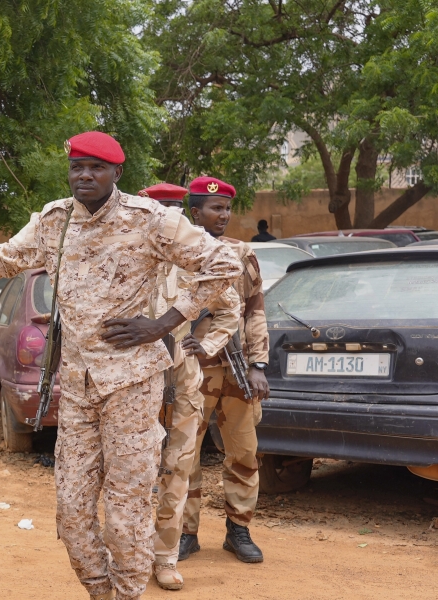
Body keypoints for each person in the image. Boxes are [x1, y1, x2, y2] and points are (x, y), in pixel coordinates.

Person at [0, 132, 241, 600]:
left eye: (97, 168)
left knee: (127, 512)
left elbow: (223, 263)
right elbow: (5, 255)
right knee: (72, 514)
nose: (85, 175)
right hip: (77, 388)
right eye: (78, 166)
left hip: (132, 384)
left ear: (117, 173)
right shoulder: (54, 221)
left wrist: (163, 323)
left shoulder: (151, 220)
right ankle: (102, 592)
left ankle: (127, 594)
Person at [140, 183, 242, 591]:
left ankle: (164, 557)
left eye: (172, 212)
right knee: (129, 471)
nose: (167, 219)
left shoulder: (198, 257)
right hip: (134, 378)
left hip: (183, 378)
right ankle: (129, 553)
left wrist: (206, 347)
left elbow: (229, 309)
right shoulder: (131, 255)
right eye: (160, 210)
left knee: (179, 467)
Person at [178, 176, 271, 566]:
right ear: (195, 212)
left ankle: (239, 530)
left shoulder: (242, 253)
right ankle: (185, 533)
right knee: (183, 455)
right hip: (189, 372)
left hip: (235, 372)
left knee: (243, 452)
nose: (224, 215)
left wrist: (258, 365)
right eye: (216, 209)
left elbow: (254, 312)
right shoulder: (176, 252)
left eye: (228, 209)